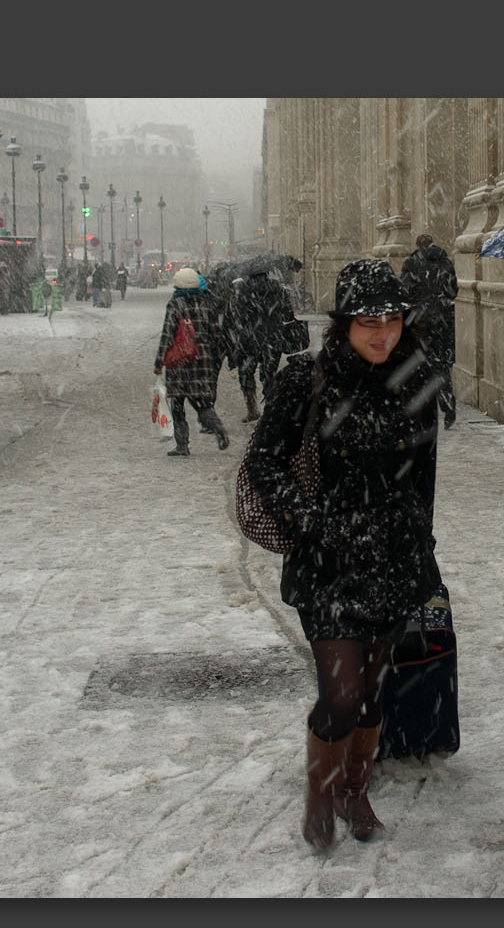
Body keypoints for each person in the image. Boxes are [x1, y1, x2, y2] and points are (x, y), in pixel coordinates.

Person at [240, 258, 442, 850]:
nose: (382, 334)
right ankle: (321, 791)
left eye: (392, 320)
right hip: (327, 560)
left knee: (375, 692)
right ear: (343, 324)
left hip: (394, 557)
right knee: (342, 694)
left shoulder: (418, 379)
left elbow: (424, 475)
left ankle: (357, 790)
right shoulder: (306, 379)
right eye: (367, 322)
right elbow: (262, 463)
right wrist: (312, 522)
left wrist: (423, 545)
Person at [153, 267, 231, 456]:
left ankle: (182, 445)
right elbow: (216, 334)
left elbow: (167, 334)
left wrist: (159, 361)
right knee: (202, 402)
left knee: (178, 405)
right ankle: (217, 427)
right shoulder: (207, 304)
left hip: (180, 360)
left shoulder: (175, 304)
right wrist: (211, 355)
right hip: (202, 359)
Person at [401, 233, 460, 429]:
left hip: (420, 323)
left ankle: (423, 411)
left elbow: (405, 292)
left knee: (418, 366)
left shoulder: (412, 264)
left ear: (418, 245)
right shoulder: (445, 262)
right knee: (442, 366)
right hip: (443, 322)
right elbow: (453, 292)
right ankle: (447, 403)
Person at [232, 267, 295, 421]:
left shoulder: (244, 291)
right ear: (267, 275)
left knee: (246, 374)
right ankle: (270, 409)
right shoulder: (279, 290)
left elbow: (239, 317)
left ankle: (252, 409)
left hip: (250, 340)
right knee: (269, 376)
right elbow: (288, 315)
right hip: (273, 338)